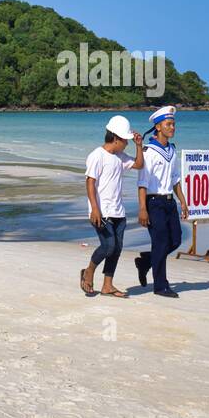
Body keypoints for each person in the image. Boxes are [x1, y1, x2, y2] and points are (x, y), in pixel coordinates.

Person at [80, 115, 144, 299]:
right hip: (101, 211)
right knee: (108, 246)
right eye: (125, 140)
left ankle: (107, 285)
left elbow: (139, 165)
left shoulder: (121, 157)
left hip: (118, 211)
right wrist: (94, 208)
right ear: (116, 138)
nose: (127, 144)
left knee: (117, 248)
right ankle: (89, 271)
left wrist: (139, 145)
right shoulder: (96, 156)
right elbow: (90, 182)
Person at [134, 106, 189, 298]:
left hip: (169, 202)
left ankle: (147, 261)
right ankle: (160, 286)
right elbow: (142, 183)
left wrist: (183, 201)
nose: (172, 127)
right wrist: (142, 209)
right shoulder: (149, 151)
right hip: (154, 202)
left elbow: (175, 179)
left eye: (173, 124)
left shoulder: (172, 151)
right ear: (158, 127)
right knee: (161, 242)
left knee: (175, 240)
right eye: (168, 124)